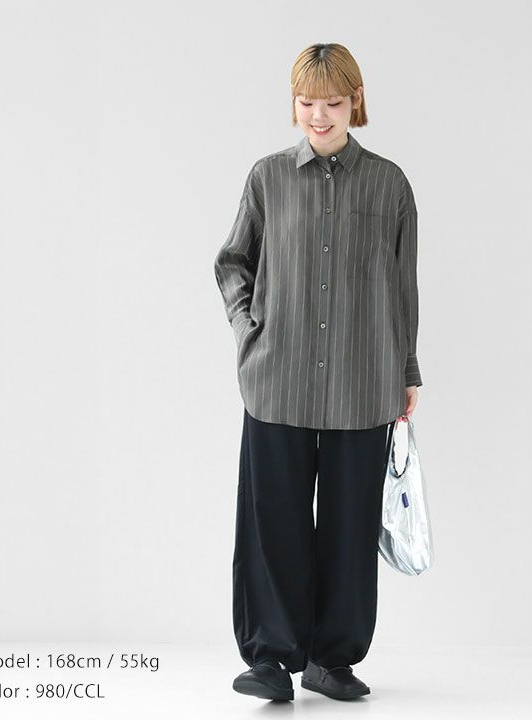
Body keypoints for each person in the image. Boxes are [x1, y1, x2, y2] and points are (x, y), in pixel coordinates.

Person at [213, 42, 423, 702]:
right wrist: (249, 332)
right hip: (276, 381)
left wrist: (407, 370)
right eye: (307, 103)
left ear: (355, 101)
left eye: (332, 102)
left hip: (364, 383)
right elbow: (232, 263)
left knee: (349, 526)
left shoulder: (389, 185)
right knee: (272, 522)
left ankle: (332, 660)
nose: (319, 116)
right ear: (294, 104)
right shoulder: (267, 179)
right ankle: (270, 660)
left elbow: (403, 287)